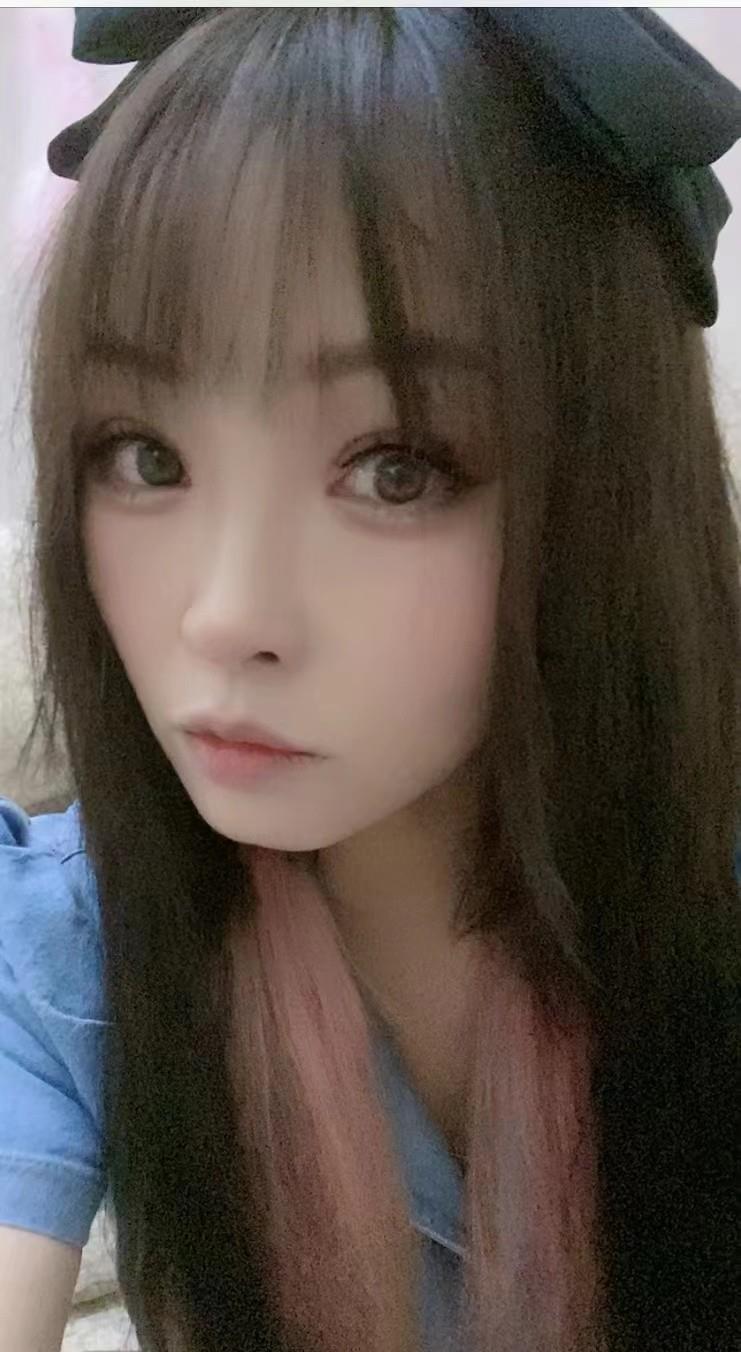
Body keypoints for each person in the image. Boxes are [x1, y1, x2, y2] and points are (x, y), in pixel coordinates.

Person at [1, 9, 740, 1352]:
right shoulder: (63, 952)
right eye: (144, 457)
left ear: (607, 496)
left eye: (396, 468)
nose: (225, 616)